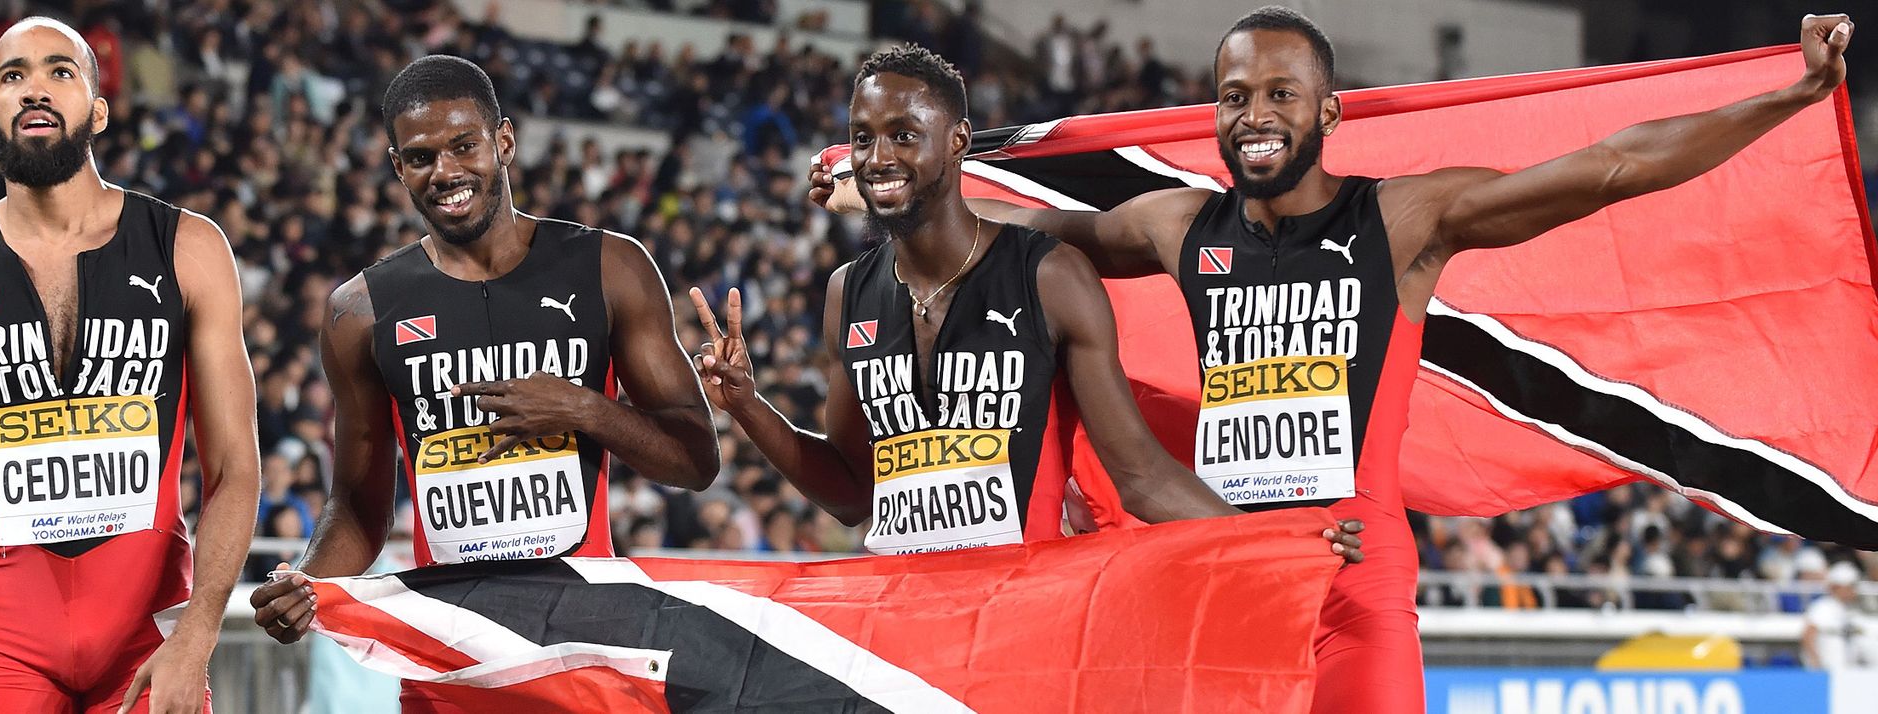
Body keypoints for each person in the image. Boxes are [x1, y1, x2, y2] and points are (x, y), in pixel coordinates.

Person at [811, 8, 1853, 711]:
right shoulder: (1178, 225)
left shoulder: (1399, 222)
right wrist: (879, 183)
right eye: (1231, 97)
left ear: (1326, 112)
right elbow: (1010, 240)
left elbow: (1612, 167)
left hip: (1352, 575)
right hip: (1212, 568)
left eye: (1275, 95)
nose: (1251, 117)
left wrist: (1787, 99)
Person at [699, 44, 1365, 560]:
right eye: (864, 136)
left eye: (904, 133)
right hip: (901, 623)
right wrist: (749, 409)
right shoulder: (848, 291)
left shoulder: (1049, 275)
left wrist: (1274, 539)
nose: (877, 156)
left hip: (1018, 621)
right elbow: (851, 493)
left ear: (958, 141)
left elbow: (1141, 477)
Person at [247, 55, 721, 713]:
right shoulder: (360, 311)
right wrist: (306, 582)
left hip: (585, 657)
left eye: (463, 145)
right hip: (451, 671)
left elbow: (697, 459)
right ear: (396, 167)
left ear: (503, 141)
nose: (445, 171)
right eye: (420, 157)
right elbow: (359, 505)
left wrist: (584, 408)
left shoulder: (610, 267)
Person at [0, 16, 261, 714]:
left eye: (61, 71)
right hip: (7, 649)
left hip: (151, 642)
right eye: (12, 75)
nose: (35, 90)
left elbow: (235, 469)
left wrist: (196, 636)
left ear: (99, 107)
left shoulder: (188, 249)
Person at [1802, 561, 1875, 670]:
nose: (1853, 591)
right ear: (1836, 587)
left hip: (1848, 671)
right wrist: (1815, 662)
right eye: (1849, 587)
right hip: (1826, 670)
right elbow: (1808, 634)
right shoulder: (1823, 606)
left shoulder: (1851, 610)